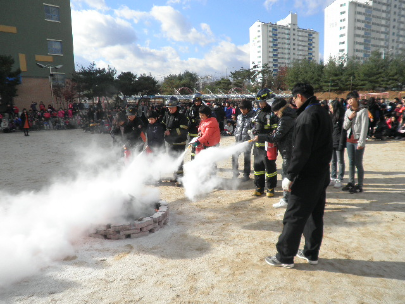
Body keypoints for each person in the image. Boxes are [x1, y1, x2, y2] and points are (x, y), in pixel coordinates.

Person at [265, 83, 332, 269]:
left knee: (294, 215)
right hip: (321, 172)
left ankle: (285, 256)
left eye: (294, 97)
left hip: (306, 175)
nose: (293, 101)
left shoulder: (306, 116)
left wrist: (290, 174)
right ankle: (311, 253)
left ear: (301, 96)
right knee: (314, 215)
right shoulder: (323, 111)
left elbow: (300, 151)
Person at [255, 98, 296, 208]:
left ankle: (287, 199)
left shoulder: (285, 119)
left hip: (288, 150)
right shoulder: (289, 116)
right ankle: (290, 199)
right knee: (289, 175)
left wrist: (260, 137)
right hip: (289, 149)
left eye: (275, 111)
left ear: (281, 109)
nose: (275, 114)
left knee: (286, 175)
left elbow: (276, 137)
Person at [252, 88, 279, 197]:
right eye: (259, 103)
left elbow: (275, 132)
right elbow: (253, 124)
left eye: (262, 102)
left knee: (270, 168)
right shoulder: (258, 112)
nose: (260, 105)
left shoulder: (273, 113)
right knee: (258, 168)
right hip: (257, 147)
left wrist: (263, 135)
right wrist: (253, 129)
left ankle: (270, 188)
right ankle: (259, 187)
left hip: (269, 146)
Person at [342, 91, 369, 194]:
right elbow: (345, 127)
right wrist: (350, 118)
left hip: (358, 140)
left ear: (357, 99)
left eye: (352, 99)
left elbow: (364, 128)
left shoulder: (363, 111)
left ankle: (360, 184)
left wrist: (361, 143)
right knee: (351, 162)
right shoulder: (348, 111)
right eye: (348, 99)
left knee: (358, 163)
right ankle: (351, 182)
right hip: (349, 140)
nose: (350, 101)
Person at [162, 96, 189, 186]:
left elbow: (183, 129)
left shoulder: (181, 116)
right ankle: (175, 176)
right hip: (170, 142)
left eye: (172, 107)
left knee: (179, 159)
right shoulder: (167, 115)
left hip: (179, 142)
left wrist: (171, 132)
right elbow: (163, 124)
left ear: (176, 107)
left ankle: (180, 178)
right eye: (168, 108)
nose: (170, 109)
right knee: (172, 159)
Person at [232, 99, 255, 181]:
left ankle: (246, 174)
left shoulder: (253, 117)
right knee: (234, 155)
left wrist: (251, 138)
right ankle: (235, 172)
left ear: (248, 108)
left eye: (243, 109)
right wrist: (236, 134)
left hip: (247, 141)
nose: (242, 110)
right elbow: (237, 127)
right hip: (238, 140)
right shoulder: (239, 117)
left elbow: (254, 129)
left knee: (246, 158)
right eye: (240, 109)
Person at [329, 99, 346, 188]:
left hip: (339, 141)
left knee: (340, 160)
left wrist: (341, 143)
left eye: (331, 108)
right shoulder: (331, 117)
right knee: (333, 160)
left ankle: (340, 178)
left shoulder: (342, 117)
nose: (330, 109)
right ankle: (333, 177)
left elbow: (343, 132)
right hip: (332, 141)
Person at [186, 93, 203, 160]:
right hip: (192, 131)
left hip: (202, 130)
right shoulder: (190, 109)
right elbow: (187, 119)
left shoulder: (203, 108)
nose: (197, 103)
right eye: (195, 101)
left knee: (201, 147)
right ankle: (193, 160)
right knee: (193, 147)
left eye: (198, 101)